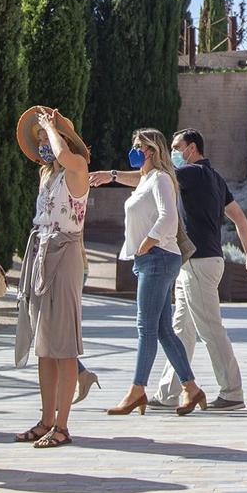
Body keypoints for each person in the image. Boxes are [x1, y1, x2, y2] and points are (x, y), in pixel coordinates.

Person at [96, 127, 204, 418]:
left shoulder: (160, 179)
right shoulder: (147, 178)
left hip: (157, 257)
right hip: (151, 259)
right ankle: (192, 388)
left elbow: (168, 216)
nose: (133, 149)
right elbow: (138, 180)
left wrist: (148, 241)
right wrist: (111, 175)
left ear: (152, 151)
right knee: (163, 330)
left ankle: (137, 390)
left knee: (145, 328)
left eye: (138, 145)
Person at [154, 128, 247, 411]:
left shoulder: (192, 173)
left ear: (192, 148)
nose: (173, 152)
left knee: (209, 328)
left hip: (199, 262)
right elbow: (238, 217)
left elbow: (155, 180)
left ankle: (232, 392)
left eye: (176, 147)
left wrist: (113, 176)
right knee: (181, 328)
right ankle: (168, 392)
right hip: (197, 262)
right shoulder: (215, 178)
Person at [12, 106, 96, 449]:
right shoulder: (49, 176)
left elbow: (65, 155)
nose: (44, 146)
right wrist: (47, 132)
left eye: (47, 138)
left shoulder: (78, 168)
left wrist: (52, 128)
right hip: (43, 253)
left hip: (64, 253)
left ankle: (61, 424)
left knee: (61, 346)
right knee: (45, 346)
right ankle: (47, 419)